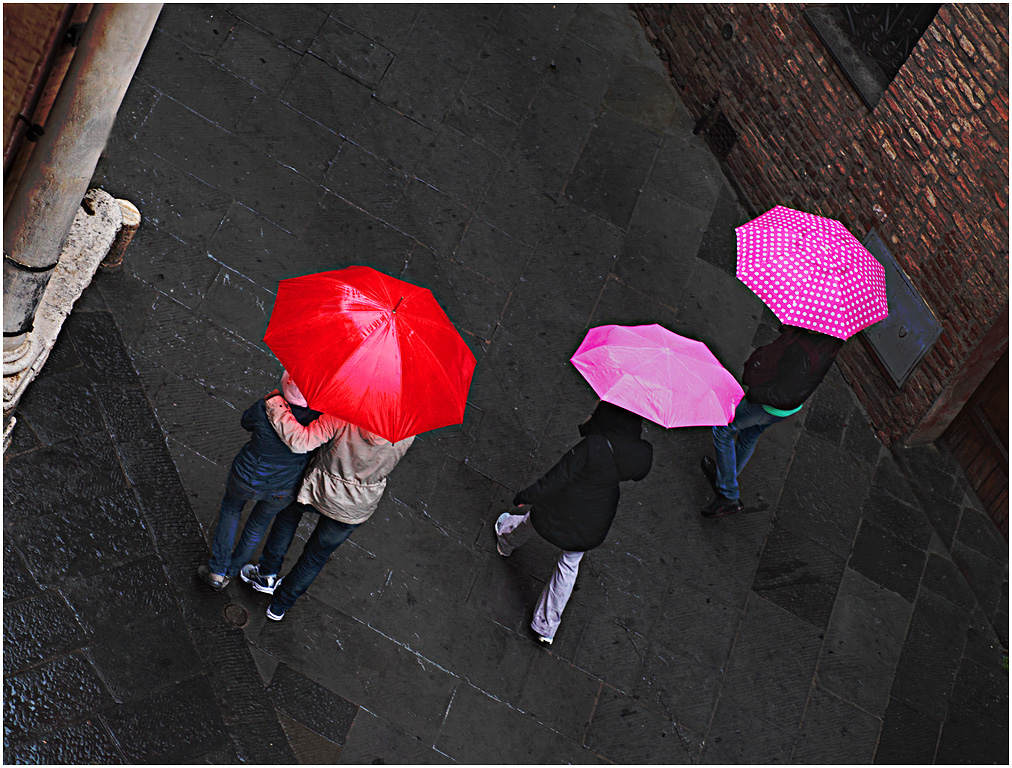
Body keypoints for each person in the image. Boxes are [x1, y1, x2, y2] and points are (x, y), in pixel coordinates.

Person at [239, 394, 414, 620]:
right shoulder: (408, 433)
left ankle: (266, 574)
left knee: (287, 517)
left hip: (317, 486)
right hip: (355, 506)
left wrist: (276, 405)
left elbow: (301, 442)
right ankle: (280, 605)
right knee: (316, 557)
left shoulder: (345, 415)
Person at [494, 401, 653, 645]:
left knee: (532, 522)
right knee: (569, 564)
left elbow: (555, 480)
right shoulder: (640, 452)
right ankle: (546, 627)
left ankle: (505, 543)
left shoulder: (593, 446)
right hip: (595, 519)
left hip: (562, 509)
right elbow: (638, 474)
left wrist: (524, 497)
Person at [701, 324, 844, 518]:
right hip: (787, 408)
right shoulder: (833, 341)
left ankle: (728, 494)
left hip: (767, 404)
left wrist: (754, 395)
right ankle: (724, 475)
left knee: (723, 430)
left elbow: (782, 393)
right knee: (749, 436)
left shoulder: (802, 351)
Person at [197, 371, 321, 591]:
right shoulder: (317, 422)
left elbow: (246, 421)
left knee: (231, 509)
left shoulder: (267, 407)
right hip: (282, 488)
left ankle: (217, 570)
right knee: (257, 525)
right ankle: (232, 571)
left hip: (247, 475)